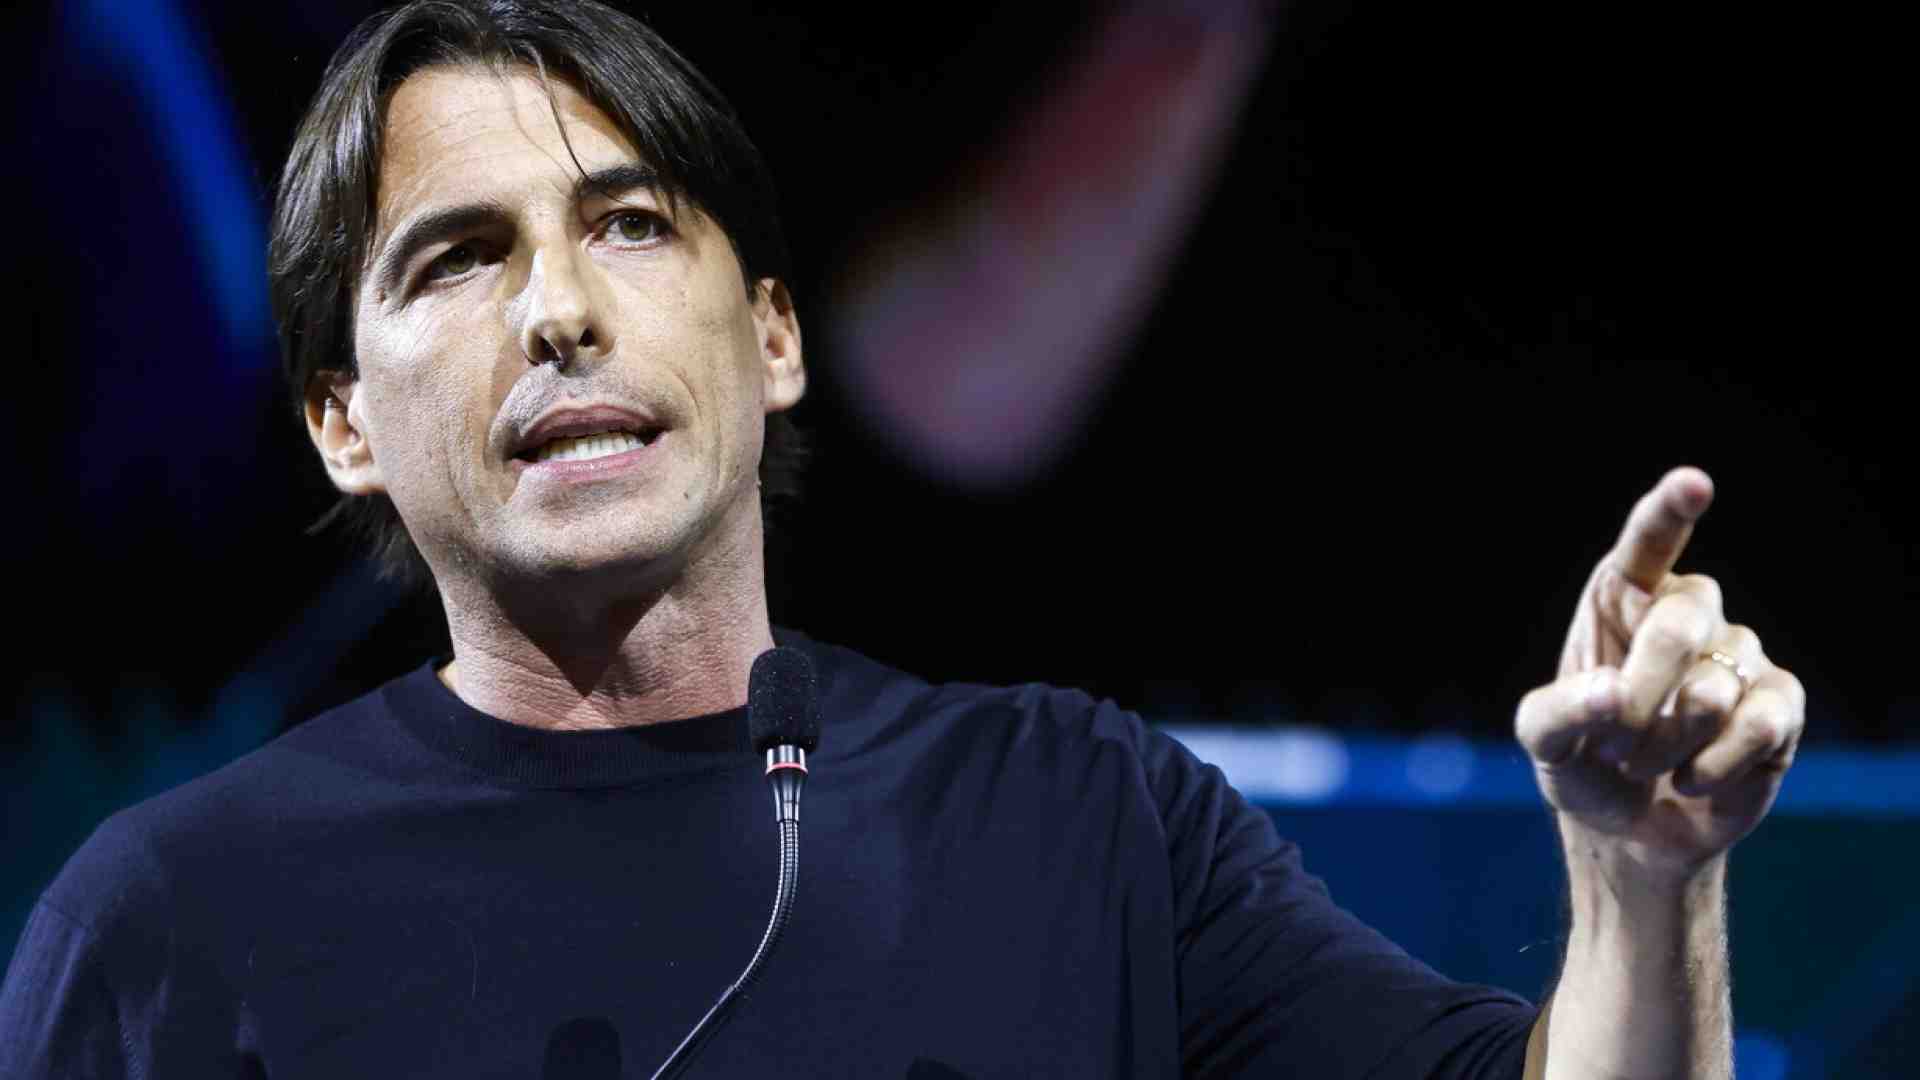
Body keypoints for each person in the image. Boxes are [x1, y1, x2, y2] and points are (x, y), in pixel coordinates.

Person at [0, 2, 1805, 1077]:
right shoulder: (165, 925)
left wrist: (1643, 879)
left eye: (632, 226)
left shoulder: (1085, 818)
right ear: (342, 422)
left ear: (773, 338)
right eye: (460, 258)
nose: (558, 311)